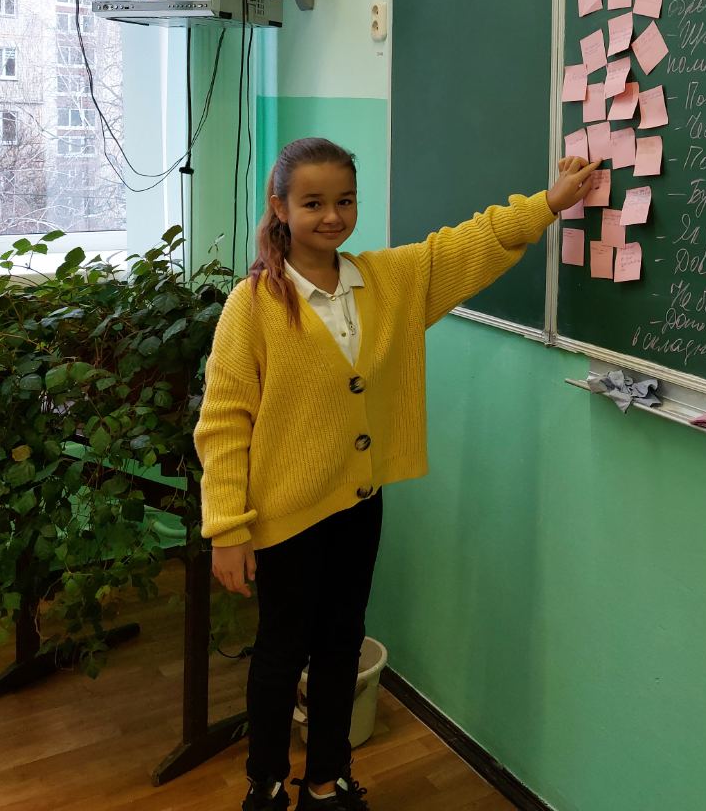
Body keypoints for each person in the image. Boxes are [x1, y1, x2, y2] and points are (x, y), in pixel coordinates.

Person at [195, 136, 598, 811]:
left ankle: (326, 781)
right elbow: (224, 422)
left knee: (341, 644)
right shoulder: (253, 304)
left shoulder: (388, 281)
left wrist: (548, 204)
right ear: (280, 207)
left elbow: (467, 246)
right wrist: (228, 528)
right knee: (280, 653)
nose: (332, 216)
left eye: (345, 200)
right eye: (313, 203)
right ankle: (264, 786)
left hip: (358, 504)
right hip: (284, 514)